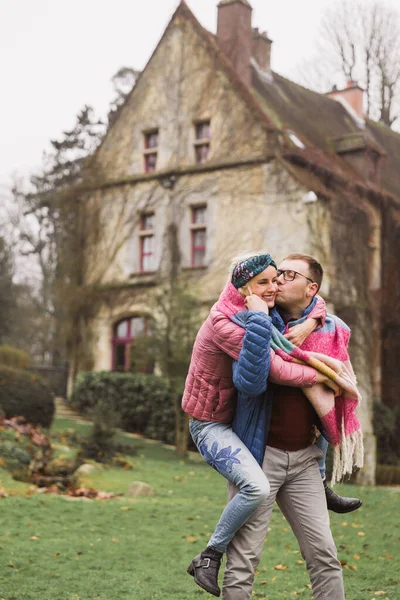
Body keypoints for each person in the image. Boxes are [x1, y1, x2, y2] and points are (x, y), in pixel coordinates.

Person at [183, 253, 361, 597]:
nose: (277, 282)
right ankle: (210, 556)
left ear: (311, 289)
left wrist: (311, 322)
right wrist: (323, 375)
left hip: (306, 460)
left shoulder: (327, 326)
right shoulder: (254, 318)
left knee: (325, 556)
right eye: (273, 276)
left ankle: (323, 485)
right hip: (259, 452)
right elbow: (252, 380)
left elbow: (319, 307)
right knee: (242, 563)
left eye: (287, 276)